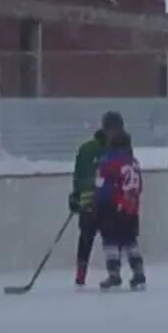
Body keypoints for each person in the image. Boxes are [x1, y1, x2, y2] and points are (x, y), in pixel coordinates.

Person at [69, 111, 126, 286]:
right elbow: (79, 175)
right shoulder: (95, 150)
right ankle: (83, 273)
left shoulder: (116, 150)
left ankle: (111, 273)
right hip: (98, 203)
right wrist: (75, 195)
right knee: (94, 238)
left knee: (105, 238)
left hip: (103, 203)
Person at [95, 131, 145, 291]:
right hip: (131, 208)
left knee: (110, 240)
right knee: (130, 241)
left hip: (114, 207)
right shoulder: (134, 162)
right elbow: (140, 186)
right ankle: (139, 273)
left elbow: (103, 185)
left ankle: (114, 274)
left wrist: (98, 202)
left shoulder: (109, 162)